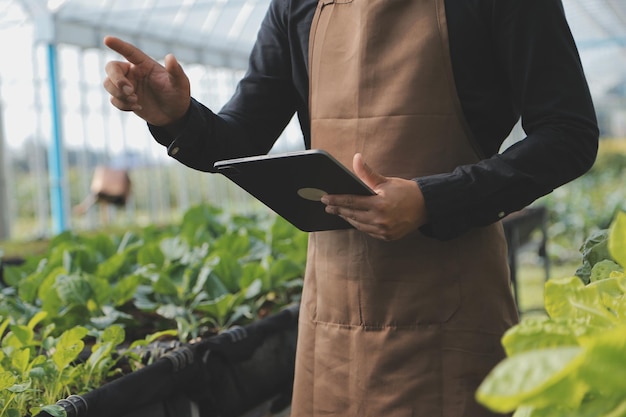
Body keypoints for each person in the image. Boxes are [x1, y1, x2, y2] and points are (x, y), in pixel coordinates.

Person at [103, 0, 599, 415]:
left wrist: (432, 199)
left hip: (450, 310)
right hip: (330, 322)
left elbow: (568, 133)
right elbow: (243, 136)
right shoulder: (297, 5)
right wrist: (179, 117)